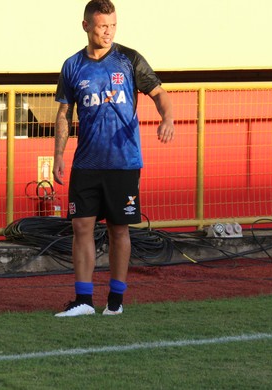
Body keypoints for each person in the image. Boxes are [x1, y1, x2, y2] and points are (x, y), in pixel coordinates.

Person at [52, 0, 174, 317]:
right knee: (81, 227)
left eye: (113, 25)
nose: (108, 31)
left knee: (119, 230)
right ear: (86, 26)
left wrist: (167, 118)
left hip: (123, 162)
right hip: (86, 163)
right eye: (103, 25)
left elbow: (159, 92)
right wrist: (58, 156)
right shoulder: (72, 66)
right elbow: (64, 113)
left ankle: (116, 302)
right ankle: (82, 301)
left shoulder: (129, 59)